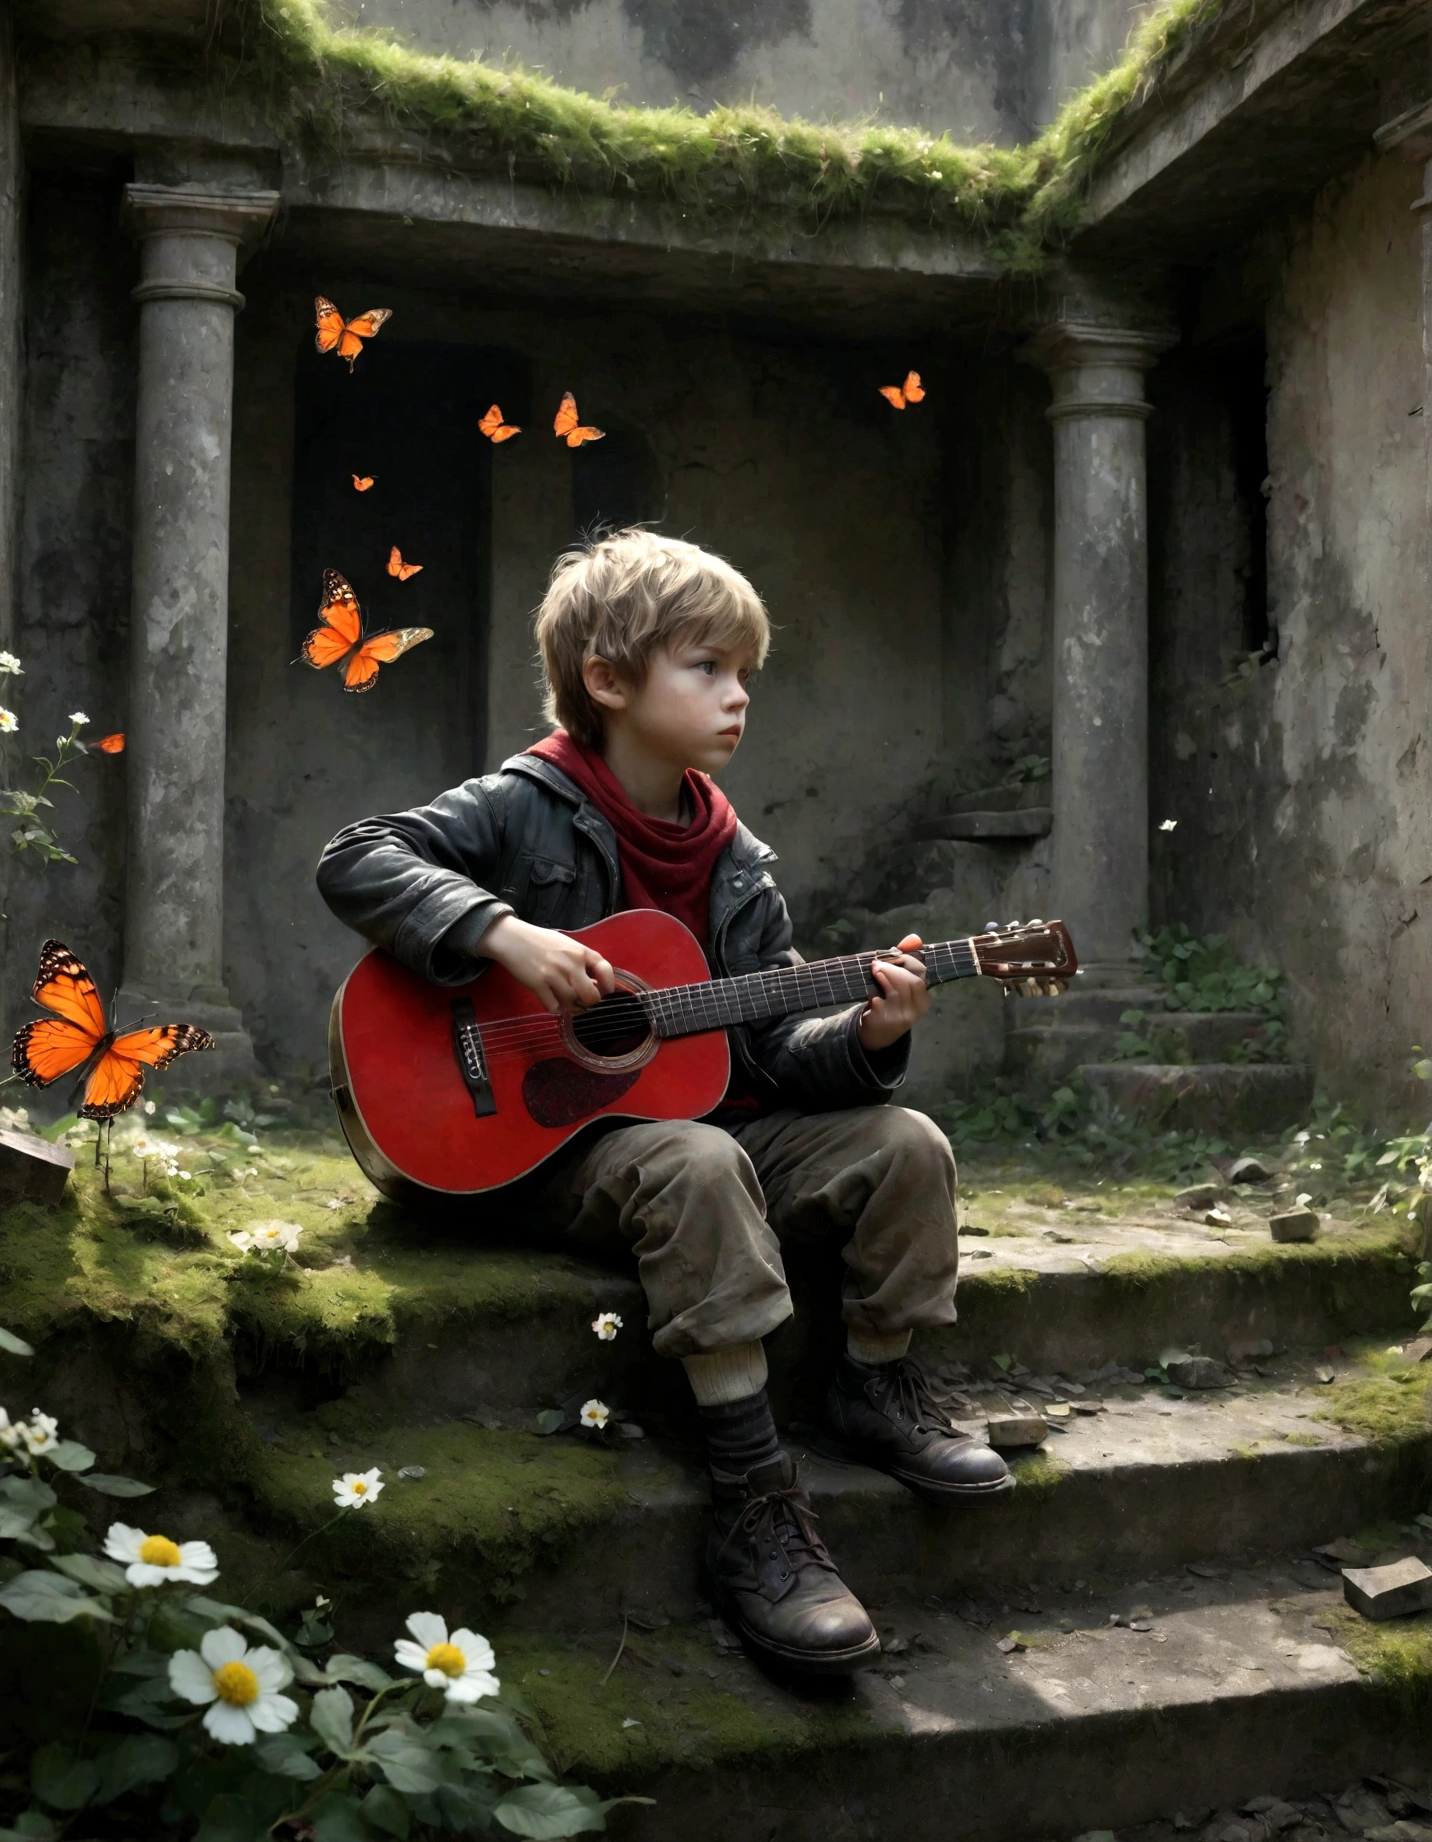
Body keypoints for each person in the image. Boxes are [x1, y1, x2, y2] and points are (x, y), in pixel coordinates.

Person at [316, 528, 1010, 1677]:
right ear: (608, 679)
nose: (740, 696)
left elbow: (772, 1052)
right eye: (709, 667)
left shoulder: (738, 862)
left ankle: (876, 1380)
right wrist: (504, 932)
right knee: (690, 1157)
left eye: (748, 673)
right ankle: (753, 1495)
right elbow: (356, 856)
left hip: (698, 1138)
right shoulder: (520, 804)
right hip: (531, 1147)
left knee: (905, 1143)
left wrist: (867, 1030)